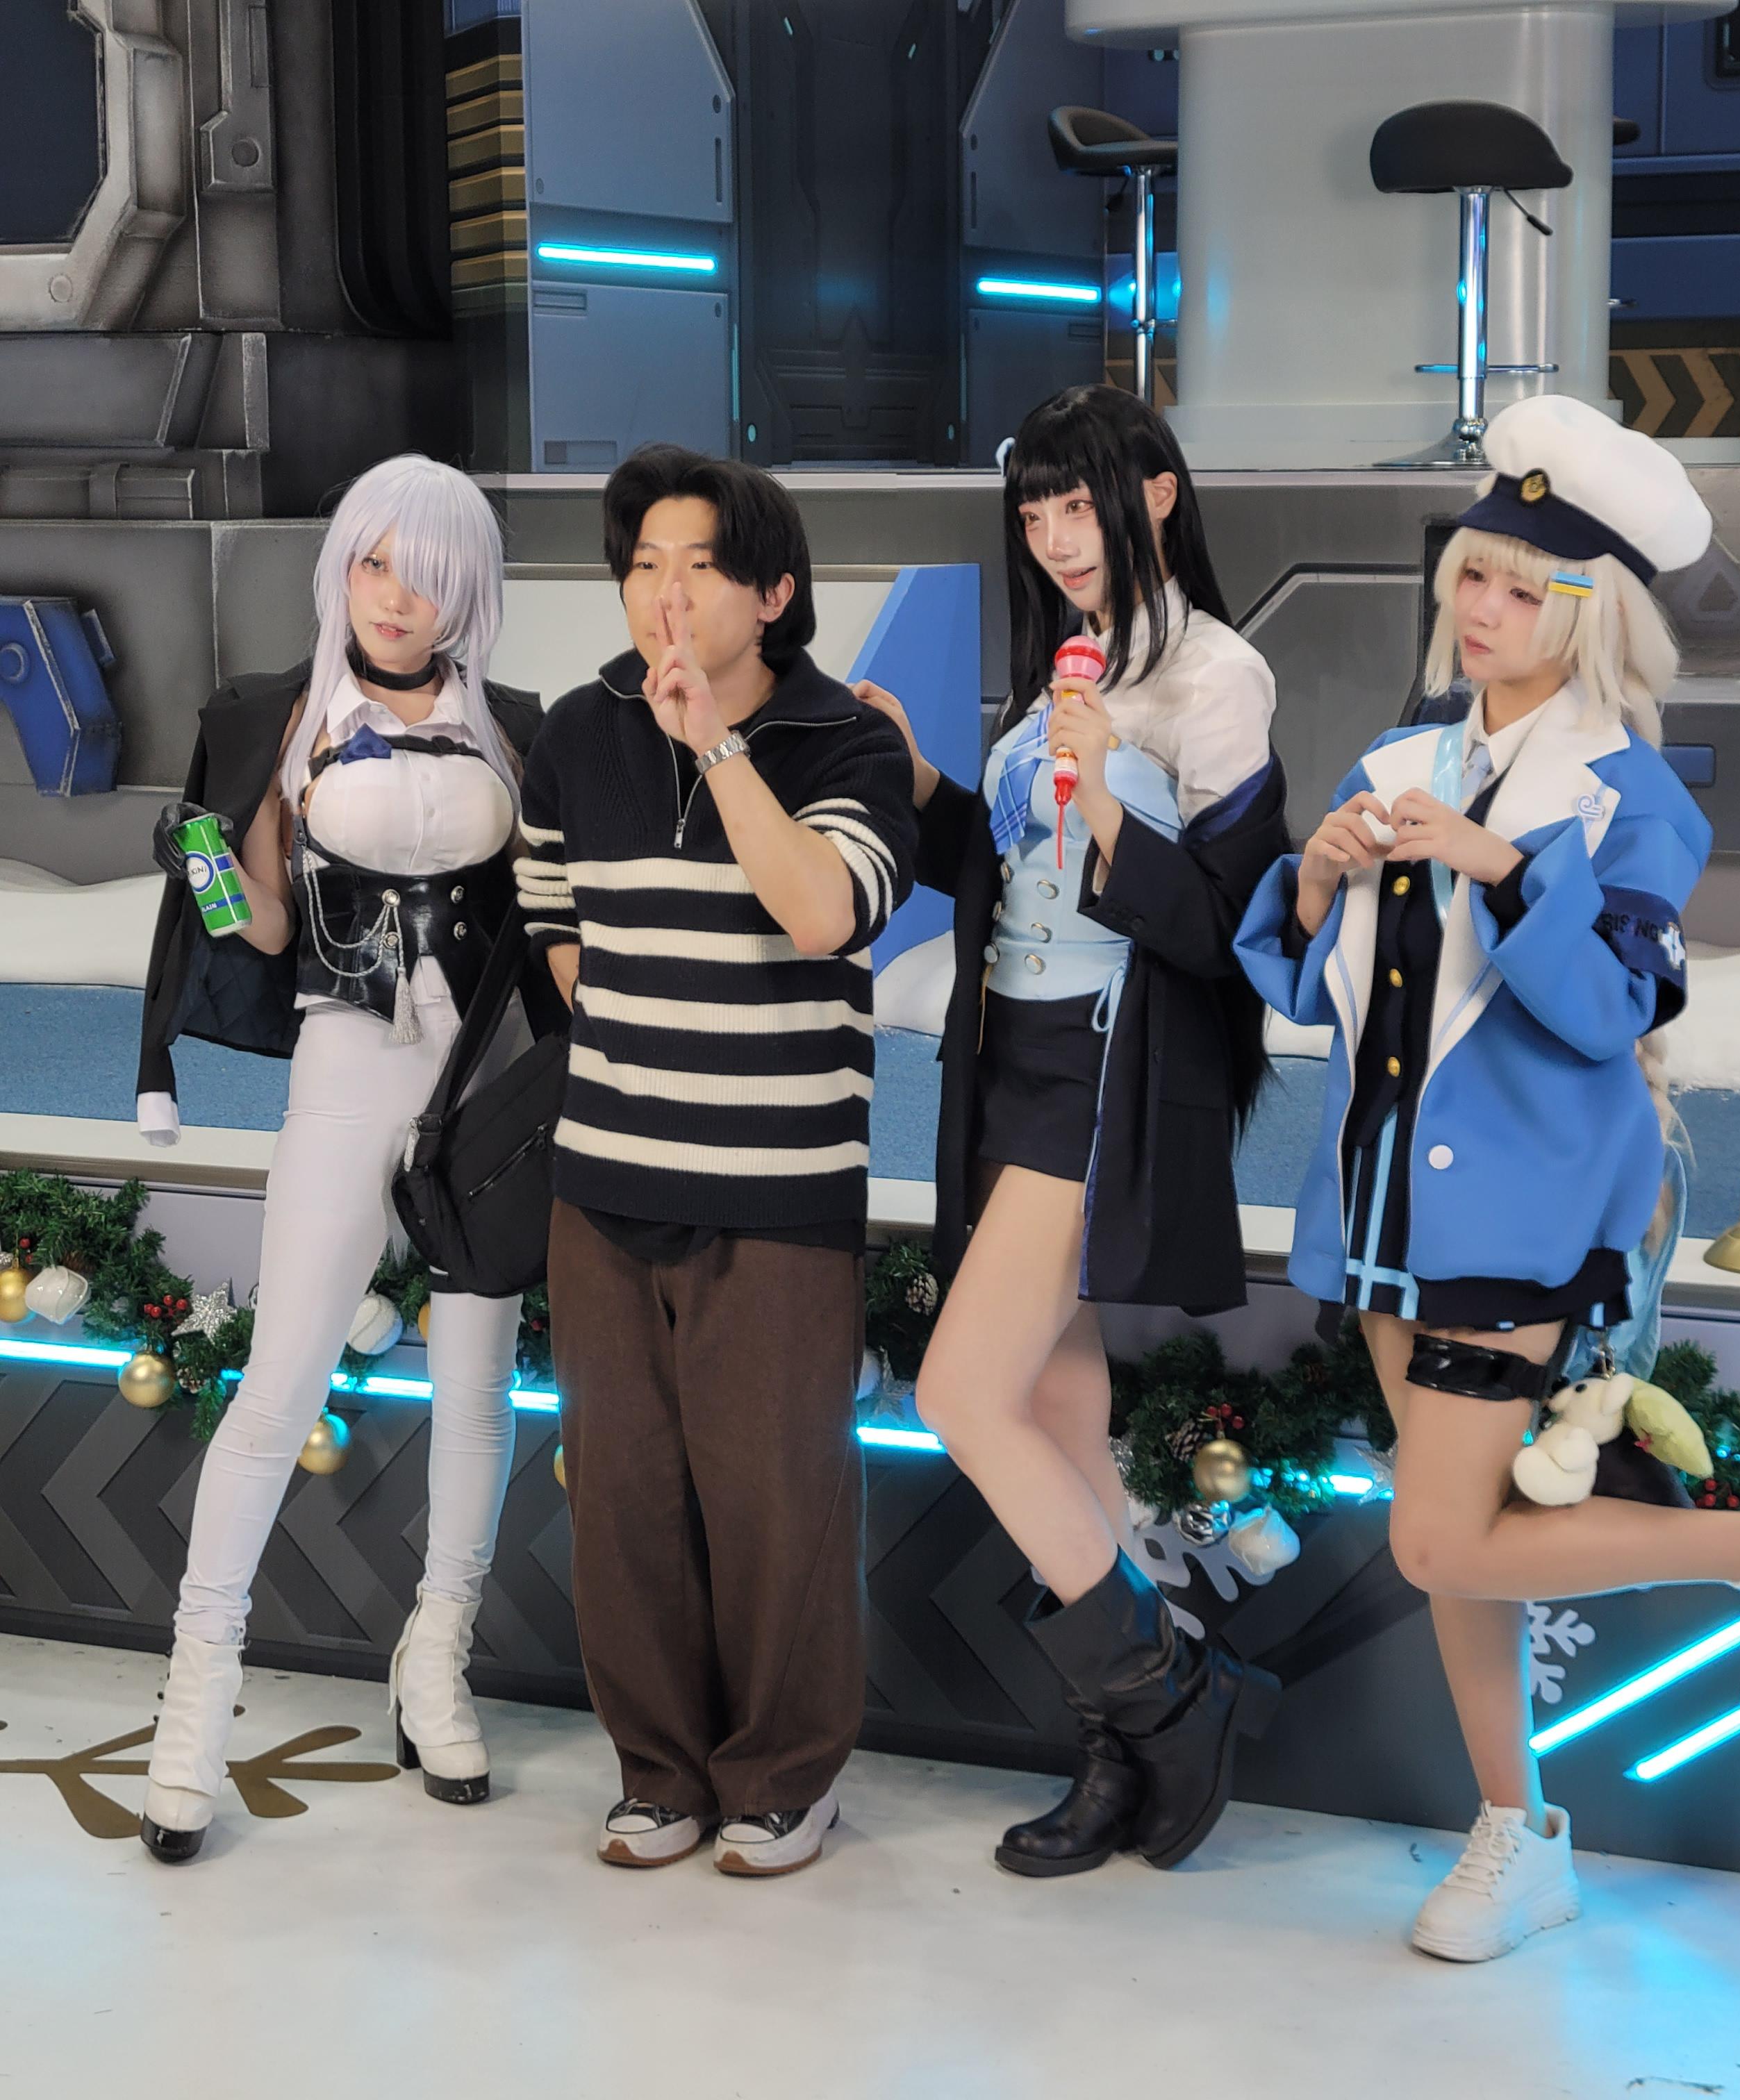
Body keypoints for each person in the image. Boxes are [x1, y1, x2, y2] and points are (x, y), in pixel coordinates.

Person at [1235, 395, 1740, 1962]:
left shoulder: (1633, 798)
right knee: (1460, 1539)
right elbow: (1318, 997)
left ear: (1587, 610)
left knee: (1435, 1541)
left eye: (1519, 587)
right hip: (1385, 1215)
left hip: (1525, 1216)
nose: (1481, 609)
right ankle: (1518, 1831)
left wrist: (1499, 865)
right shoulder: (1402, 757)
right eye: (1470, 577)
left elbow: (1616, 1006)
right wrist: (1319, 877)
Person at [857, 385, 1292, 1878]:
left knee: (959, 1395)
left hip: (1107, 1073)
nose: (1054, 536)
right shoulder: (1067, 658)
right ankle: (1124, 1750)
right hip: (1005, 1063)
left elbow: (1230, 930)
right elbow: (1000, 867)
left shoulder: (1218, 677)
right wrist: (926, 779)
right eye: (1032, 511)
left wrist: (1108, 797)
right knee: (1052, 1415)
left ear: (1156, 495)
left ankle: (1179, 1694)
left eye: (1077, 503)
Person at [134, 455, 558, 1862]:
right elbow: (258, 927)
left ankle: (436, 1656)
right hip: (344, 1060)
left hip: (483, 1082)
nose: (397, 595)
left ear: (466, 587)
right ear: (343, 569)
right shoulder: (285, 721)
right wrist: (198, 858)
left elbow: (551, 909)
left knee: (476, 1389)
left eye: (426, 571)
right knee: (279, 1386)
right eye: (376, 562)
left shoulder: (515, 728)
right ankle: (196, 1699)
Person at [517, 447, 916, 1878]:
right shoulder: (576, 732)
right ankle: (661, 1774)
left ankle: (785, 1776)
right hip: (607, 1179)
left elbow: (823, 913)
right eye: (642, 567)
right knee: (621, 1500)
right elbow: (551, 921)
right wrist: (643, 1048)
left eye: (697, 567)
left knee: (775, 1502)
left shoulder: (849, 741)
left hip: (780, 1190)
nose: (664, 596)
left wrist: (719, 753)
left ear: (775, 593)